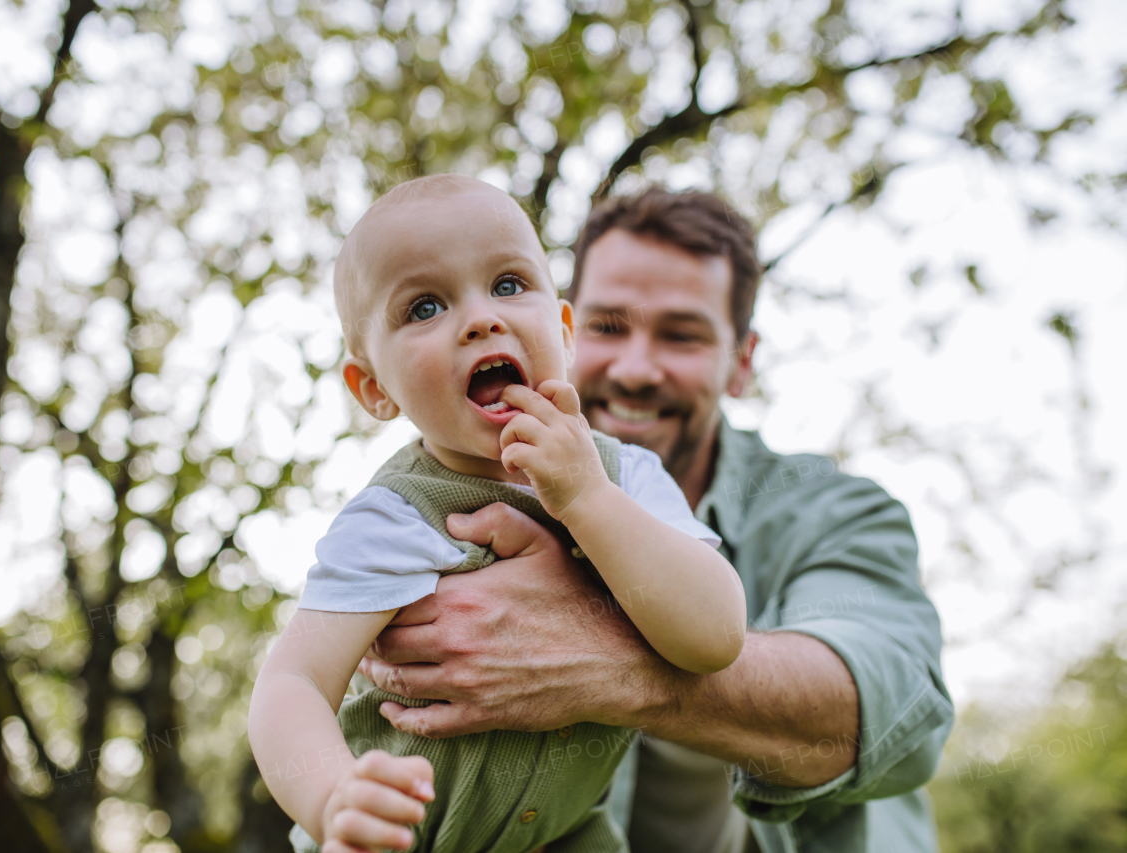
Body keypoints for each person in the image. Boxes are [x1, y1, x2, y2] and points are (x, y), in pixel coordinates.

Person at [358, 187, 955, 853]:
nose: (636, 368)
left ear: (742, 360)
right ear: (567, 330)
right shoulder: (434, 506)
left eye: (682, 334)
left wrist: (605, 658)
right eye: (609, 326)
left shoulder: (833, 511)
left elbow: (890, 710)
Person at [247, 175, 748, 853]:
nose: (481, 318)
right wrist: (334, 797)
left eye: (509, 284)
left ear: (565, 330)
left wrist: (588, 499)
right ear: (374, 389)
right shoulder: (396, 517)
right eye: (424, 307)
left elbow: (714, 633)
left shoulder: (626, 478)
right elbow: (292, 680)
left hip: (568, 836)